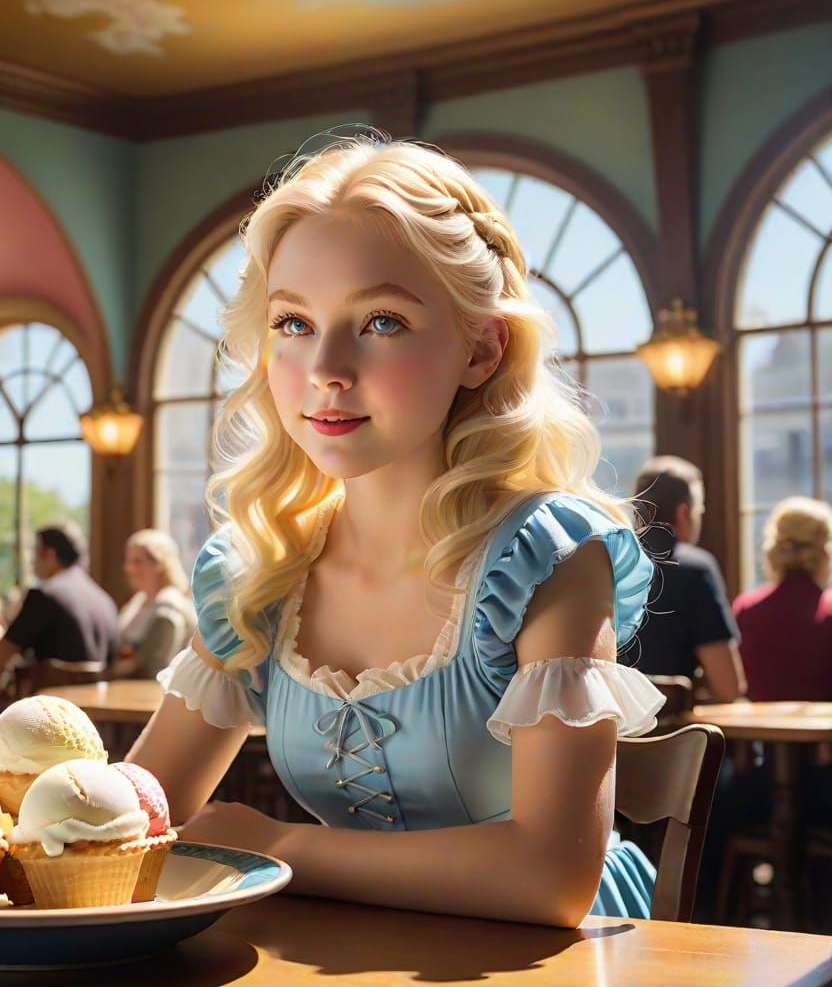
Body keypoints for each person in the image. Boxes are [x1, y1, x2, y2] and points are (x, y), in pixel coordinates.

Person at [126, 132, 668, 928]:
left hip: (553, 965)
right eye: (293, 323)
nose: (325, 369)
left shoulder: (547, 557)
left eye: (380, 321)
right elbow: (141, 810)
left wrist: (282, 848)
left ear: (482, 348)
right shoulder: (257, 570)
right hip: (341, 949)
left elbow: (551, 877)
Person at [633, 456, 746, 702]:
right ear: (684, 512)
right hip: (671, 734)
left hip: (610, 731)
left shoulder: (608, 561)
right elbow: (728, 686)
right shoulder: (695, 568)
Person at [0, 521, 118, 683]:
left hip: (50, 705)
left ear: (49, 554)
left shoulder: (44, 596)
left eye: (34, 553)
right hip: (95, 704)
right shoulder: (105, 601)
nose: (31, 562)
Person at [733, 497, 832, 701]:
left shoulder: (747, 609)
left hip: (759, 730)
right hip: (822, 730)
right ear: (823, 551)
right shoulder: (828, 611)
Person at [117, 530, 197, 677]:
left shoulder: (169, 606)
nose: (130, 569)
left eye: (138, 561)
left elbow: (156, 665)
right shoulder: (138, 601)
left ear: (160, 563)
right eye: (129, 561)